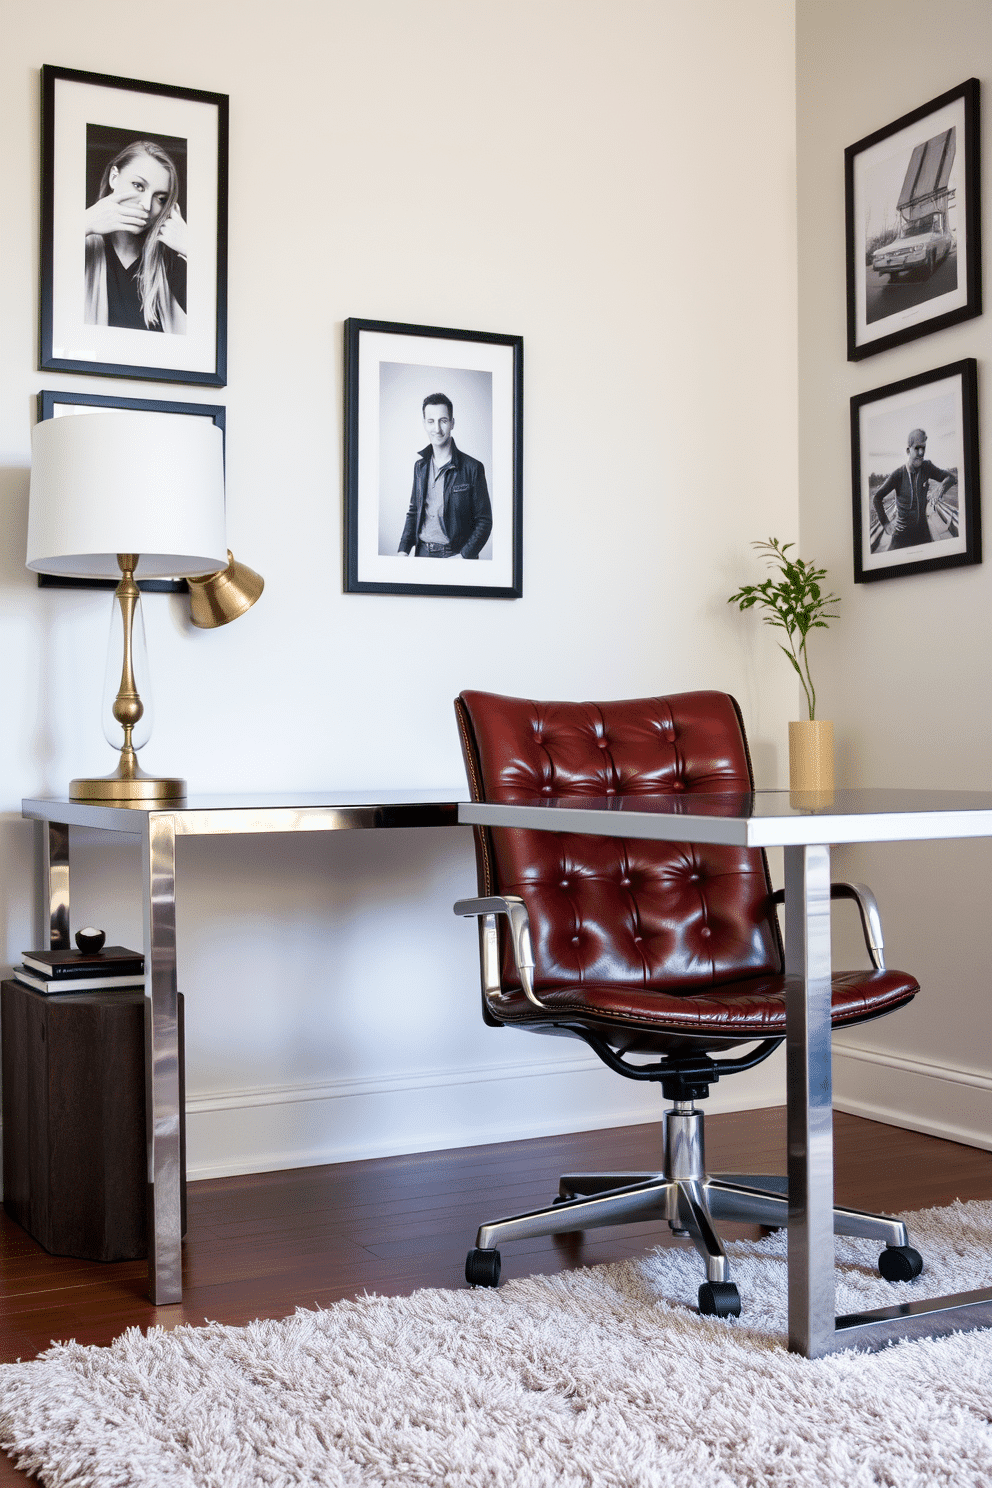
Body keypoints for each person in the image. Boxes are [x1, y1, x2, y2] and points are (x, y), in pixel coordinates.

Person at [84, 140, 187, 333]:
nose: (147, 206)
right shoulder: (83, 247)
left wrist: (191, 247)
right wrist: (83, 223)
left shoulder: (171, 262)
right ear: (114, 178)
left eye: (160, 198)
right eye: (138, 186)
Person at [398, 394, 493, 558]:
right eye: (431, 421)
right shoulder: (420, 467)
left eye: (443, 421)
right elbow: (414, 512)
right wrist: (403, 550)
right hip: (422, 555)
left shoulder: (473, 468)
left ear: (452, 423)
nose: (437, 429)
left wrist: (464, 557)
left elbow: (484, 522)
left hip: (454, 555)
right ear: (424, 424)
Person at [870, 427, 957, 550]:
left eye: (923, 448)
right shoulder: (898, 474)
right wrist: (885, 522)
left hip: (923, 532)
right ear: (908, 450)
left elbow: (952, 478)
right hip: (901, 535)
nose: (921, 453)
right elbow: (877, 498)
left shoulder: (927, 467)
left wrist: (941, 487)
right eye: (917, 448)